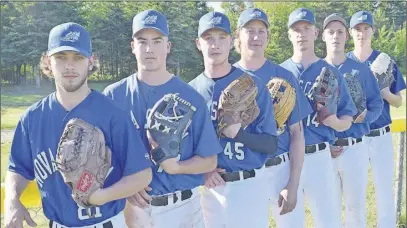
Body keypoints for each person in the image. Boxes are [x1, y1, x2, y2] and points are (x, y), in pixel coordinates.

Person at [4, 22, 153, 228]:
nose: (69, 66)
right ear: (48, 61)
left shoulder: (113, 114)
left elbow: (142, 174)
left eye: (78, 57)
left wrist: (100, 197)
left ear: (91, 61)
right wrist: (11, 200)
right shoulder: (32, 118)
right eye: (61, 57)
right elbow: (18, 169)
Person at [103, 10, 222, 228]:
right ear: (132, 47)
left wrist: (176, 167)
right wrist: (125, 183)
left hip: (182, 208)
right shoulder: (113, 96)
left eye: (157, 41)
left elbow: (209, 161)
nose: (149, 49)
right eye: (142, 41)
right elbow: (101, 155)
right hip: (131, 210)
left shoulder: (190, 97)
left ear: (168, 47)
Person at [189, 11, 278, 228]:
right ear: (198, 43)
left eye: (221, 37)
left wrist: (239, 134)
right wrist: (204, 171)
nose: (215, 44)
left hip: (249, 184)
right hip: (210, 188)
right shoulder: (190, 92)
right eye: (208, 38)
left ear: (231, 42)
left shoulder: (253, 85)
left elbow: (270, 144)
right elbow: (186, 146)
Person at [233, 8, 313, 228]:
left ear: (268, 37)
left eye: (261, 31)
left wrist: (293, 184)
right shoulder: (227, 78)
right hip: (244, 174)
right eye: (250, 30)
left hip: (281, 169)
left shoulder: (284, 76)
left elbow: (297, 134)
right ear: (238, 35)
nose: (256, 37)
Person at [280, 8, 357, 228]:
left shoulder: (330, 72)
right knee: (289, 221)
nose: (301, 34)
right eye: (296, 29)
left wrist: (334, 123)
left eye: (306, 28)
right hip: (286, 159)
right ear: (289, 34)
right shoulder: (280, 72)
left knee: (328, 220)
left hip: (319, 156)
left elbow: (347, 118)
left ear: (315, 33)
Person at [322, 13, 383, 228]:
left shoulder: (361, 70)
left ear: (347, 35)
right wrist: (324, 142)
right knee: (327, 210)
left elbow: (377, 105)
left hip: (355, 147)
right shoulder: (316, 70)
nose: (335, 36)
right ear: (322, 36)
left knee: (355, 209)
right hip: (324, 151)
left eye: (340, 32)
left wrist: (364, 117)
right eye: (330, 32)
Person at [346, 10, 406, 228]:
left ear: (373, 31)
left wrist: (384, 92)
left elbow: (398, 101)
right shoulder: (344, 63)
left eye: (366, 28)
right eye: (357, 29)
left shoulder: (385, 61)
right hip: (354, 136)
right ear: (351, 33)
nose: (362, 33)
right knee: (354, 193)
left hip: (381, 134)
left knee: (384, 190)